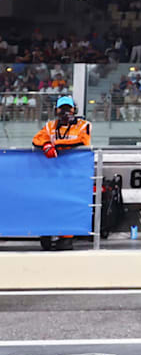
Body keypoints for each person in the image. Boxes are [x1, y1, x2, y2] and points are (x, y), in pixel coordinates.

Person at [31, 96, 93, 250]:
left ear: (75, 109)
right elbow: (36, 140)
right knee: (50, 202)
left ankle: (66, 238)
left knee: (70, 204)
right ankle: (47, 233)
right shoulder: (50, 126)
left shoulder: (84, 125)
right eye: (62, 108)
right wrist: (46, 144)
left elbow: (82, 141)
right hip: (52, 173)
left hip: (75, 173)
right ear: (56, 110)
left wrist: (55, 145)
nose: (65, 112)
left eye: (68, 108)